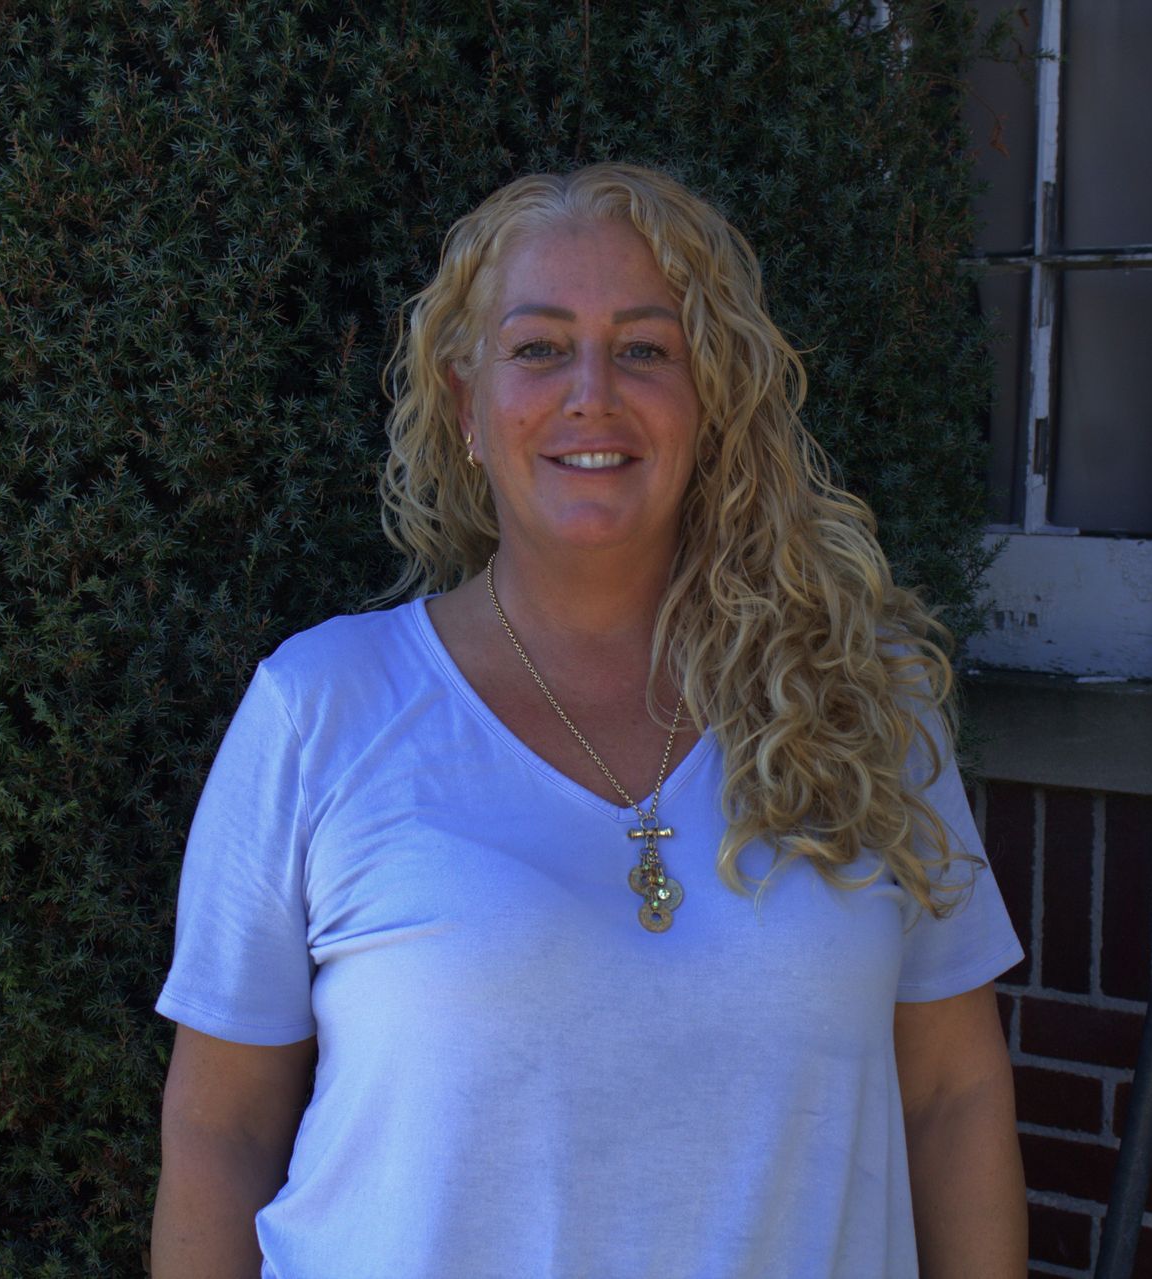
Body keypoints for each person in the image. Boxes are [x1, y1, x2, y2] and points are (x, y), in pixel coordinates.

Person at [150, 162, 1027, 1278]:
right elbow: (220, 1132)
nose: (592, 393)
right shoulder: (320, 708)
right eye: (539, 347)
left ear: (711, 402)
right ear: (467, 409)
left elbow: (953, 1094)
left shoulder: (864, 701)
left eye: (646, 349)